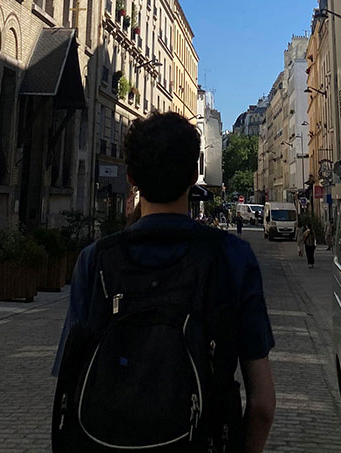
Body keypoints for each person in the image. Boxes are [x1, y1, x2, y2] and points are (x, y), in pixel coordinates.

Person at [52, 112, 276, 453]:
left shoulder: (94, 260)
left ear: (131, 177)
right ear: (192, 175)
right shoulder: (233, 257)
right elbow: (262, 405)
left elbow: (69, 380)